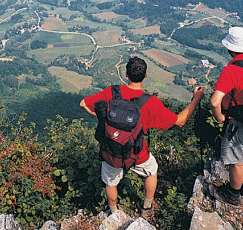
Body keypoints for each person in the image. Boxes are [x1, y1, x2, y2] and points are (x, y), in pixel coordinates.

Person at [80, 56, 205, 218]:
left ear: (126, 74)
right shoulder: (150, 102)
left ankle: (114, 213)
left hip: (111, 150)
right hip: (137, 152)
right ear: (145, 75)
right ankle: (146, 209)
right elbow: (180, 121)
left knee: (110, 182)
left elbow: (83, 103)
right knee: (151, 171)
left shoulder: (111, 92)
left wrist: (102, 118)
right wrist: (196, 100)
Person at [209, 26, 243, 205]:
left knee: (237, 160)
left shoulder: (232, 70)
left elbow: (215, 101)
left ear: (231, 48)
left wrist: (220, 118)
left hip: (239, 123)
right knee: (239, 154)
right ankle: (238, 182)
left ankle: (233, 194)